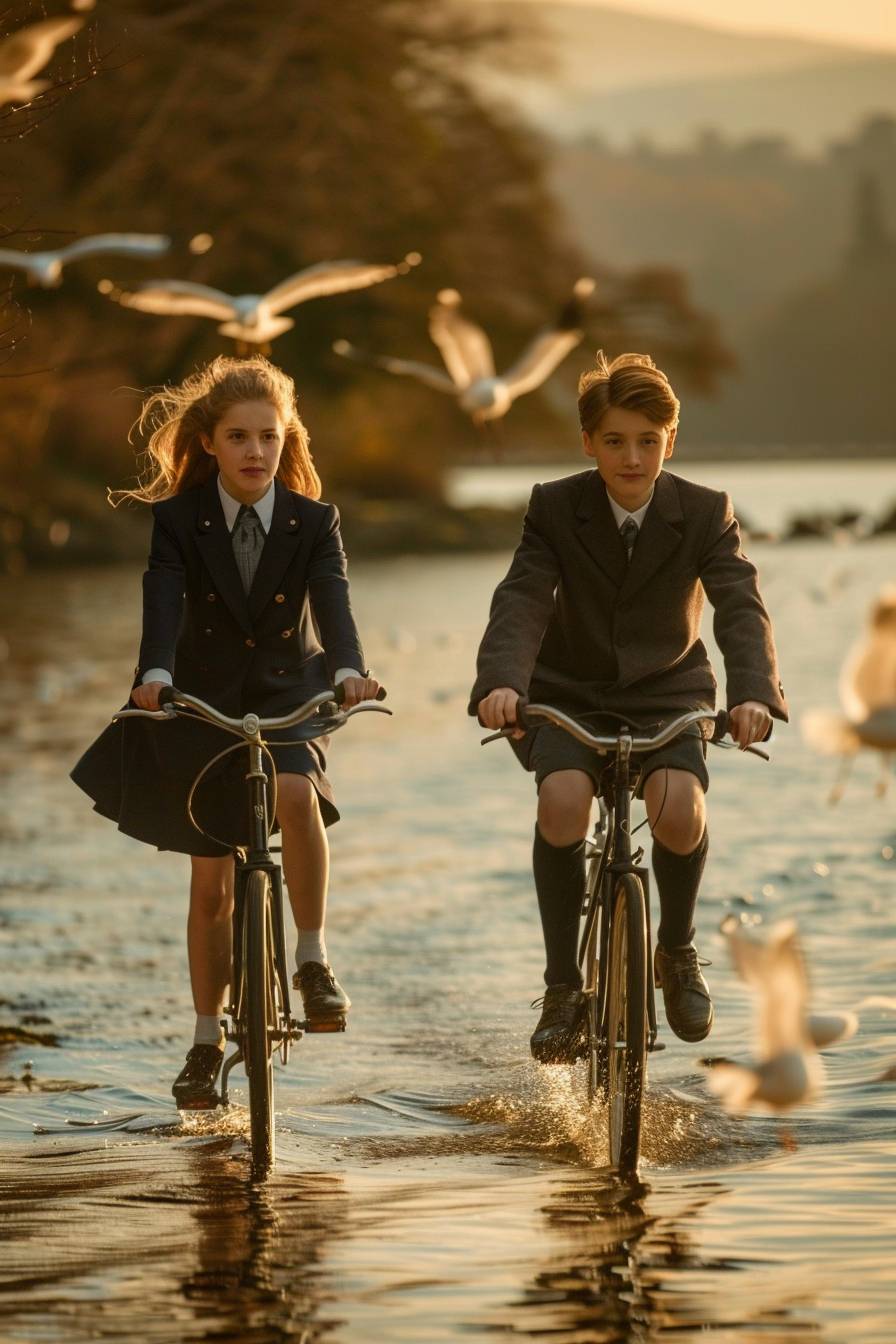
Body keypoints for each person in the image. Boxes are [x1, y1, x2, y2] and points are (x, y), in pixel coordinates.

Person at [72, 355, 381, 1106]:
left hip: (289, 692)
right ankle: (207, 1040)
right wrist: (153, 676)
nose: (254, 451)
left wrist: (349, 671)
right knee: (210, 882)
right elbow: (163, 603)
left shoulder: (316, 521)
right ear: (209, 442)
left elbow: (333, 605)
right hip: (198, 700)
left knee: (297, 795)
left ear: (286, 440)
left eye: (268, 437)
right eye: (238, 436)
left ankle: (311, 958)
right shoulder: (177, 521)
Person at [470, 351, 787, 1063]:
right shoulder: (555, 505)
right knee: (563, 802)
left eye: (648, 440)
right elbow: (521, 597)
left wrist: (754, 694)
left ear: (670, 440)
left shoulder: (705, 511)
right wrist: (502, 683)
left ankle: (675, 950)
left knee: (678, 813)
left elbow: (740, 605)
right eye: (614, 440)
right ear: (588, 443)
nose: (632, 457)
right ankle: (562, 988)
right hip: (566, 693)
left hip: (668, 693)